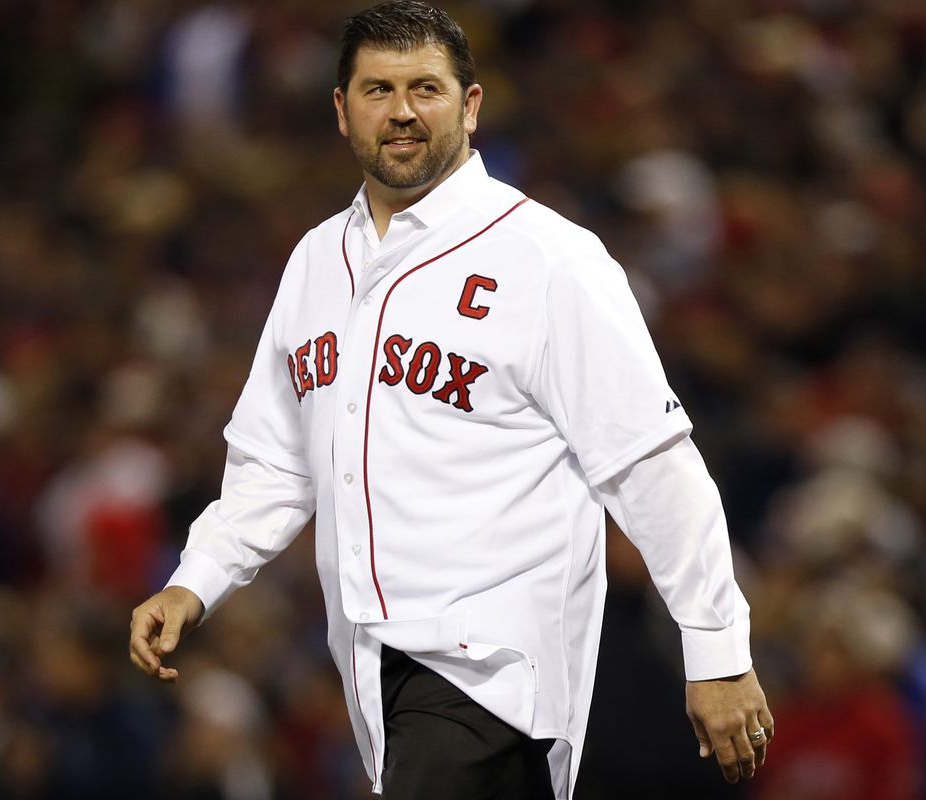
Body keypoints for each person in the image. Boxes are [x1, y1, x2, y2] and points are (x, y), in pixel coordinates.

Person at [129, 2, 774, 797]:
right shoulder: (316, 260)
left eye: (425, 88)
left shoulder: (549, 258)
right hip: (373, 665)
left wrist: (717, 652)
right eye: (378, 90)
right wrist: (197, 580)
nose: (401, 111)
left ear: (470, 106)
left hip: (496, 670)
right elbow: (277, 461)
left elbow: (650, 464)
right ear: (342, 111)